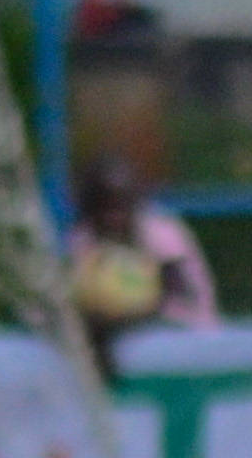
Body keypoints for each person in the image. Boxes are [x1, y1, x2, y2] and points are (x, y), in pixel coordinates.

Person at [63, 156, 221, 379]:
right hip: (116, 346)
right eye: (103, 208)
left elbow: (182, 299)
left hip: (184, 345)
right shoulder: (85, 240)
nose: (112, 218)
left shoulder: (161, 234)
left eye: (119, 208)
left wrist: (126, 313)